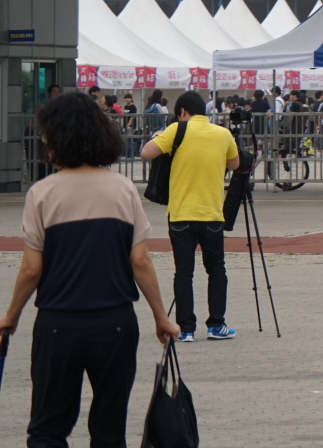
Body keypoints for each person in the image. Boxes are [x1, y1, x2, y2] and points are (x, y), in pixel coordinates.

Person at [3, 94, 181, 446]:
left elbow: (30, 270)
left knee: (48, 428)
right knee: (109, 430)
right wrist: (161, 316)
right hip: (115, 323)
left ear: (56, 137)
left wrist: (10, 316)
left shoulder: (42, 194)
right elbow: (140, 261)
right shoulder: (122, 189)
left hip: (58, 323)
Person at [139, 89, 243, 341]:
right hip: (212, 213)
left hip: (181, 214)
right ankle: (216, 325)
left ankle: (185, 329)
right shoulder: (223, 133)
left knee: (183, 272)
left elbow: (145, 153)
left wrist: (162, 138)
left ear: (182, 112)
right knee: (216, 269)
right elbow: (235, 164)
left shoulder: (177, 130)